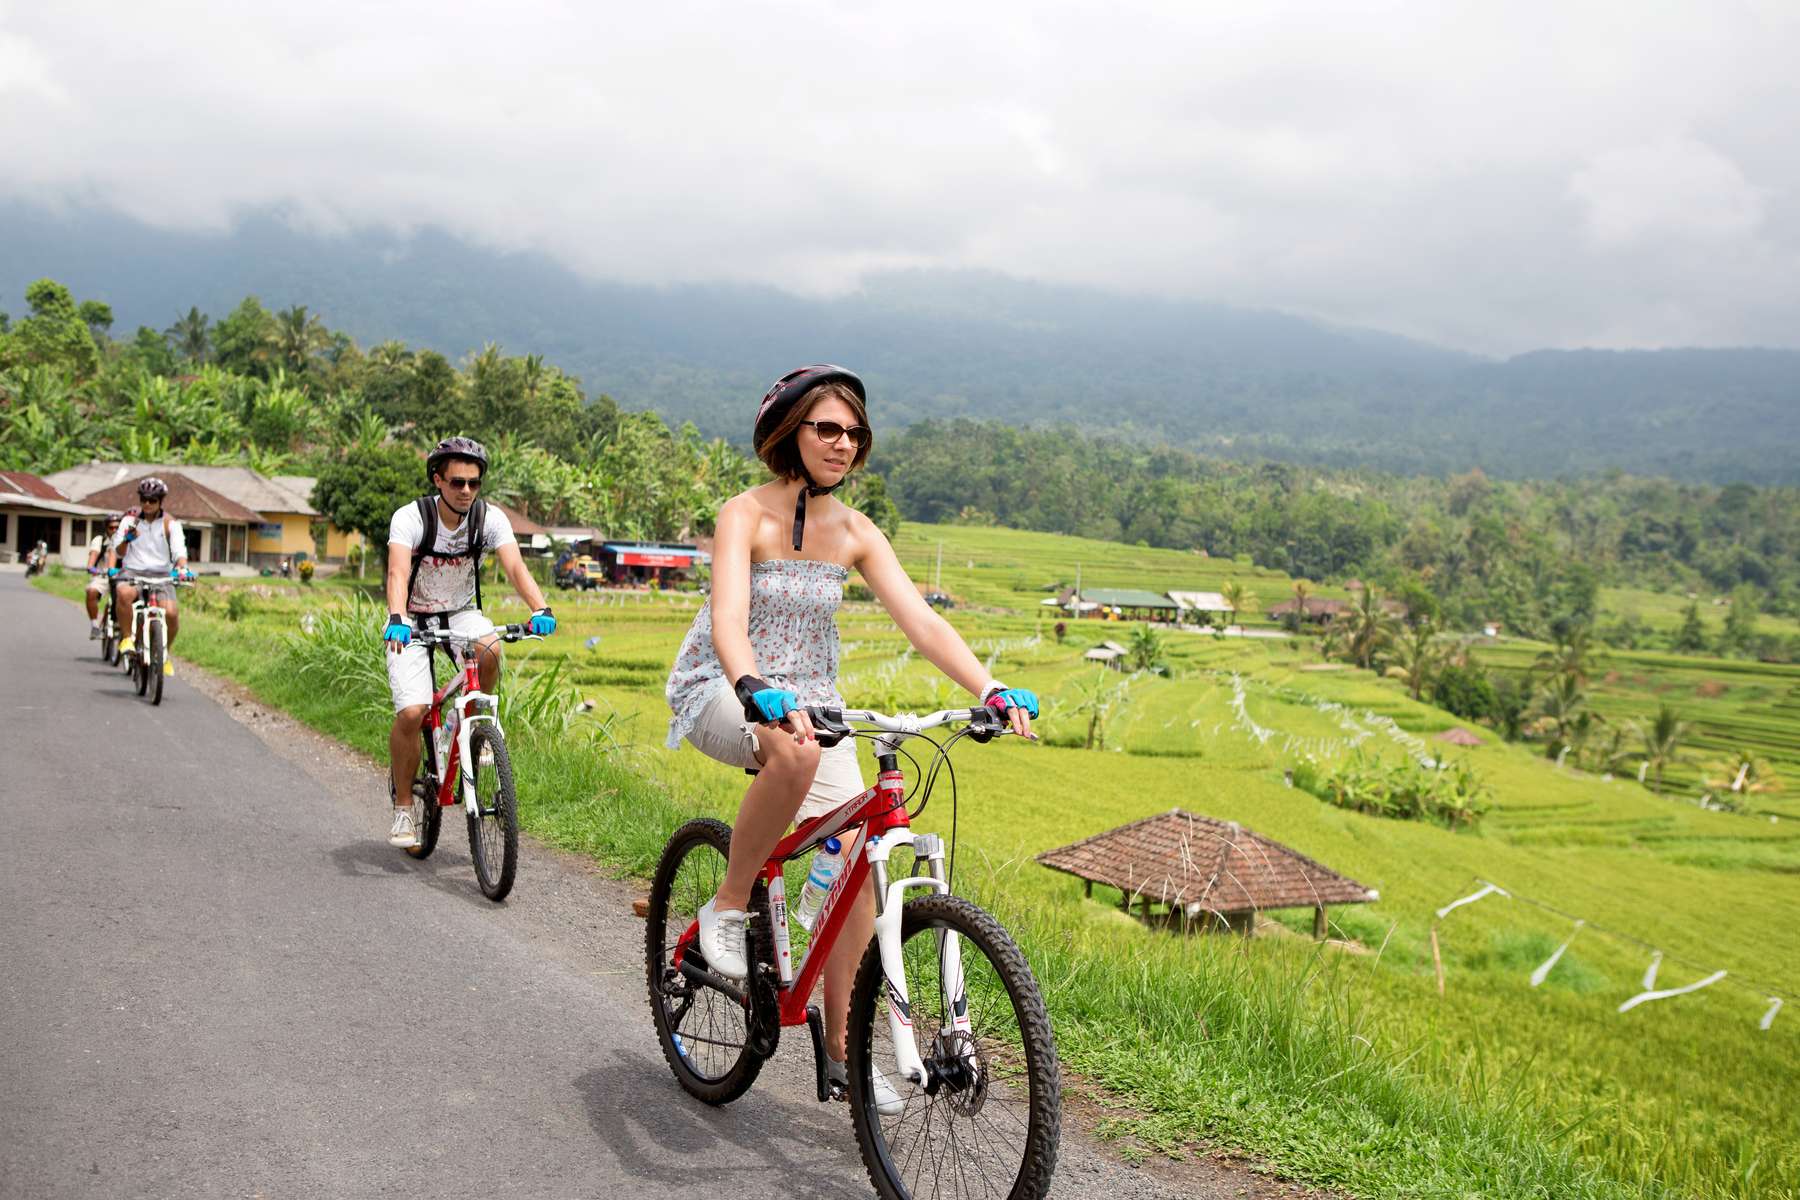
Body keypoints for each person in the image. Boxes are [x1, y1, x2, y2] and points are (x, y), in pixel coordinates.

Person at [664, 364, 1039, 1106]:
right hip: (724, 685)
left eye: (854, 432)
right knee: (794, 752)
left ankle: (842, 1052)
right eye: (827, 428)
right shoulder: (745, 514)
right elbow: (729, 622)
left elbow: (923, 621)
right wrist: (752, 687)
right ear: (789, 431)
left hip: (818, 703)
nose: (843, 443)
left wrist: (987, 686)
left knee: (858, 859)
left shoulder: (858, 532)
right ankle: (729, 906)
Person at [382, 437, 557, 849]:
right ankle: (404, 807)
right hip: (410, 619)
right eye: (457, 482)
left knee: (492, 646)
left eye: (474, 483)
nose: (465, 491)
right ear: (438, 480)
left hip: (461, 612)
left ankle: (477, 727)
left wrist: (540, 608)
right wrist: (396, 618)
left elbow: (515, 565)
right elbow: (396, 574)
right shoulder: (411, 517)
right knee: (412, 711)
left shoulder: (488, 519)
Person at [112, 480, 194, 671]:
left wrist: (182, 568)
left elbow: (179, 551)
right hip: (133, 571)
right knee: (123, 594)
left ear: (160, 501)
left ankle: (164, 653)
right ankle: (126, 639)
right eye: (144, 499)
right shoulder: (128, 521)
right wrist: (127, 539)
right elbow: (119, 553)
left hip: (161, 575)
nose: (147, 504)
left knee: (172, 614)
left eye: (152, 500)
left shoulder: (170, 524)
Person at [84, 512, 123, 638]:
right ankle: (95, 625)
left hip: (122, 577)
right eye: (111, 528)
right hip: (103, 575)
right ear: (106, 528)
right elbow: (92, 559)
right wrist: (92, 568)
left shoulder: (125, 541)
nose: (114, 530)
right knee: (91, 591)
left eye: (117, 527)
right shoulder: (99, 541)